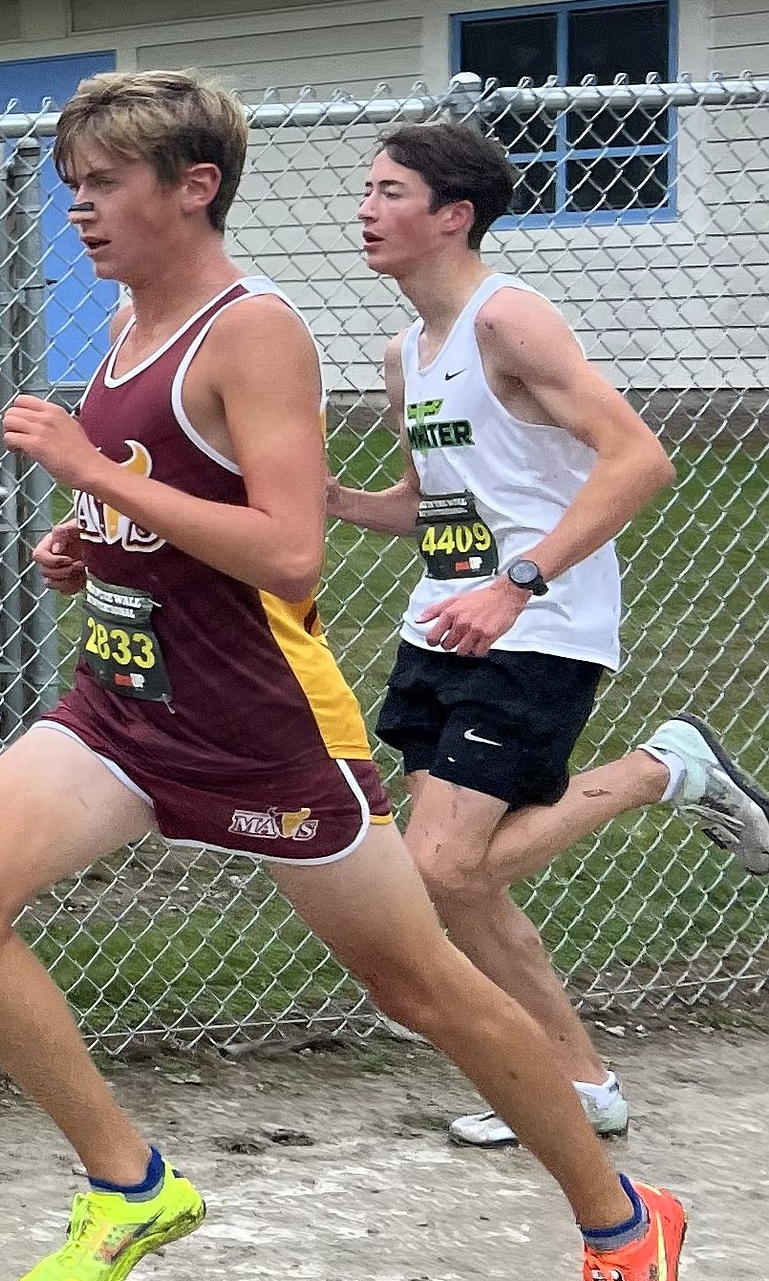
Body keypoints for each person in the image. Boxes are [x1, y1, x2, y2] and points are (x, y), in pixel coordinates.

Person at [0, 69, 687, 1281]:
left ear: (192, 186)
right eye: (70, 181)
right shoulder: (125, 318)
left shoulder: (251, 329)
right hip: (122, 702)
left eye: (103, 182)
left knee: (418, 985)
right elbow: (171, 501)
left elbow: (285, 546)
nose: (77, 206)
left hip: (260, 720)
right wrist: (91, 537)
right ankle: (127, 1181)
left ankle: (621, 1225)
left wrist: (86, 469)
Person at [328, 118, 769, 1149]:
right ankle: (582, 1086)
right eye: (367, 190)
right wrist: (333, 500)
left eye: (390, 192)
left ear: (453, 216)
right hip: (442, 628)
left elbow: (638, 460)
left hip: (540, 627)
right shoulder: (405, 352)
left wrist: (518, 584)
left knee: (440, 867)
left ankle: (664, 768)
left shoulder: (507, 321)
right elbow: (430, 503)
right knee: (455, 882)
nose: (365, 209)